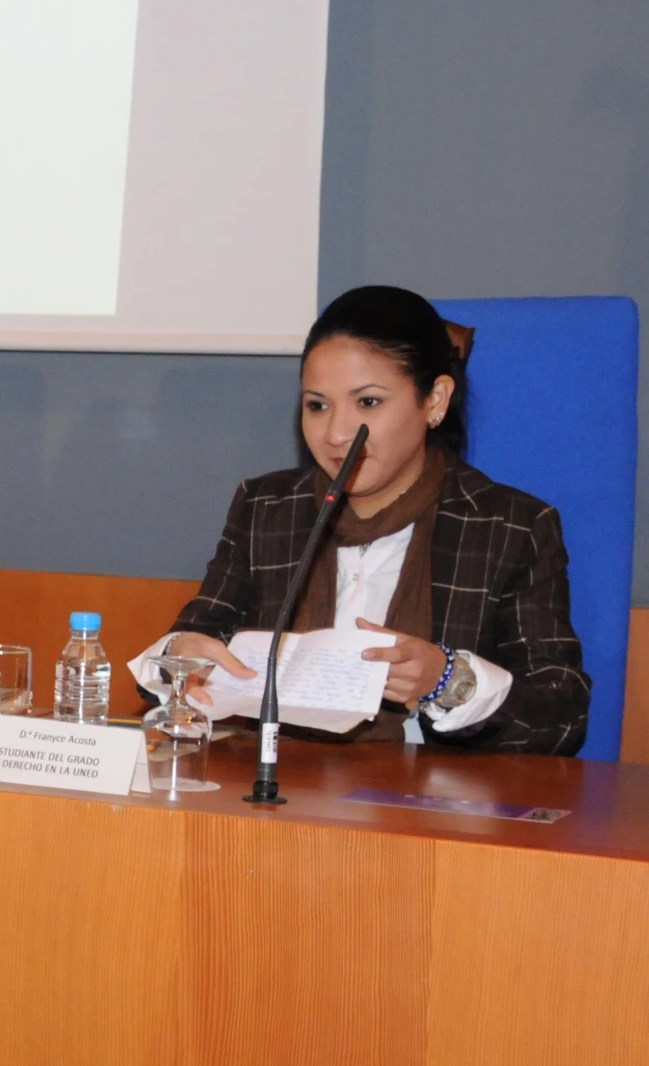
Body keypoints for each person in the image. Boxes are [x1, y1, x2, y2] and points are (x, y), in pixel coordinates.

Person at [133, 284, 588, 754]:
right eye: (317, 405)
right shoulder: (267, 507)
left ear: (434, 400)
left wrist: (445, 680)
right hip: (273, 792)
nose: (337, 433)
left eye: (368, 402)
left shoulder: (509, 526)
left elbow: (561, 716)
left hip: (428, 808)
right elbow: (183, 651)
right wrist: (181, 659)